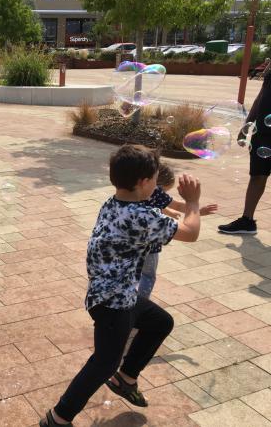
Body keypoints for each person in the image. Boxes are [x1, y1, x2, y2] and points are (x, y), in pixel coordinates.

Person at [40, 145, 201, 427]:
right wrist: (193, 203)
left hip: (115, 291)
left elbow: (157, 199)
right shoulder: (142, 217)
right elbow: (191, 233)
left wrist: (175, 201)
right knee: (103, 363)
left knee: (160, 322)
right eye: (154, 178)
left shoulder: (116, 200)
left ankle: (125, 378)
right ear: (142, 182)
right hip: (113, 302)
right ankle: (58, 418)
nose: (158, 185)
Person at [139, 162, 218, 298]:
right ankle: (140, 303)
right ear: (155, 183)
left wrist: (169, 211)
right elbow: (190, 232)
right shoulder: (156, 193)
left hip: (131, 247)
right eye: (163, 191)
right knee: (147, 276)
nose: (162, 194)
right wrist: (194, 204)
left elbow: (159, 204)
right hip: (150, 248)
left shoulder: (130, 195)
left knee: (134, 273)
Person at [219, 61, 271, 235]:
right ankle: (247, 221)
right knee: (257, 175)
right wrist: (247, 123)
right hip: (263, 133)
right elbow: (261, 96)